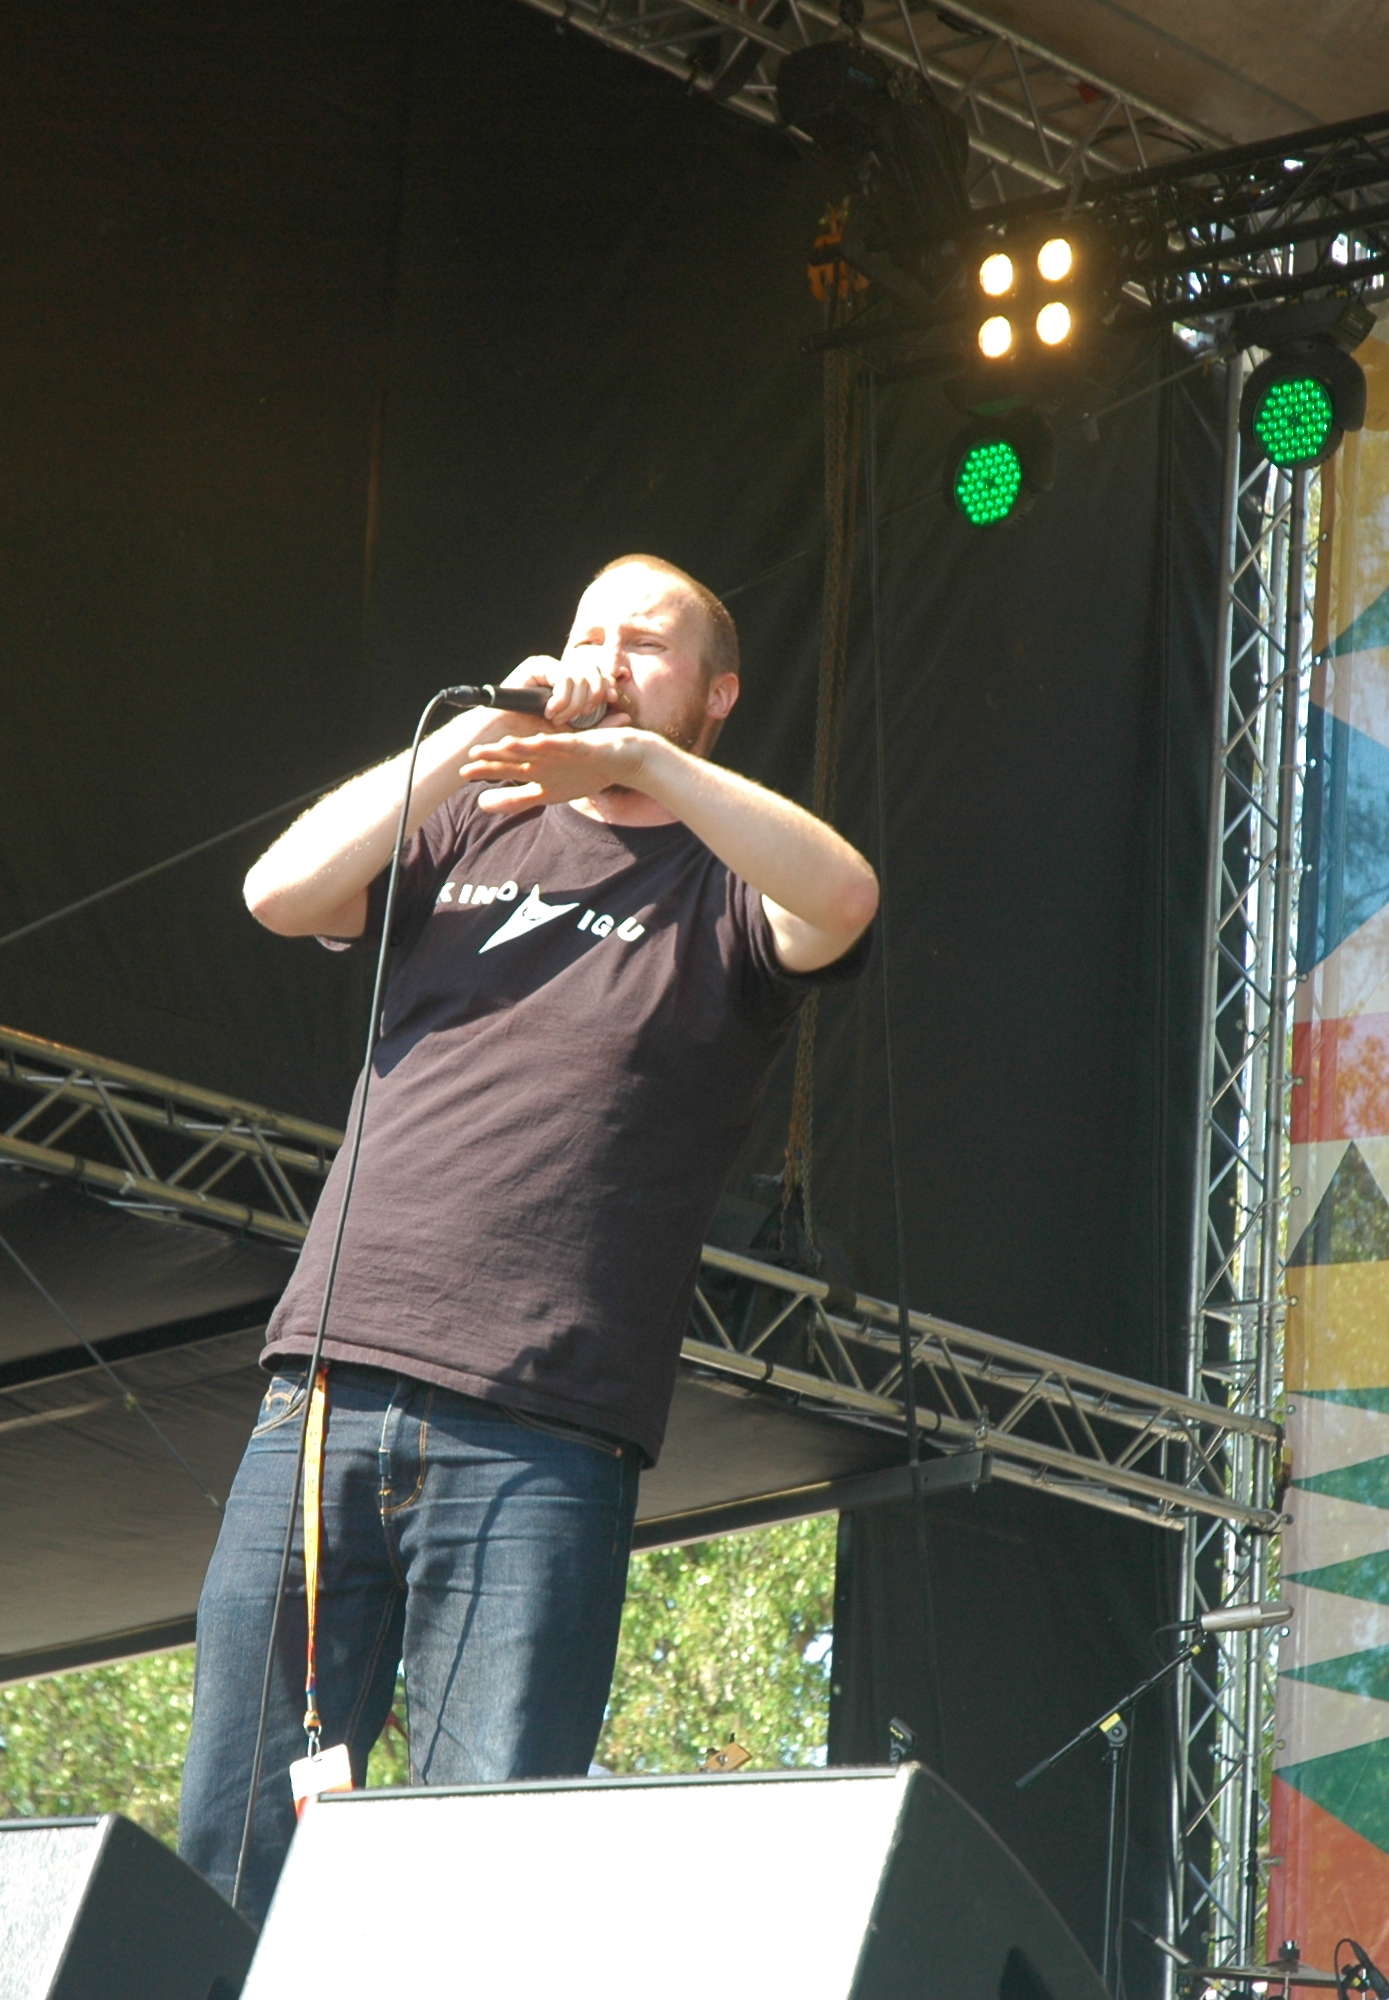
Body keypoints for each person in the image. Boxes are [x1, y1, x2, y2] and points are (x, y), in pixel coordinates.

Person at [177, 554, 879, 1921]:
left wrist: (638, 761)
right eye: (587, 631)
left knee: (476, 1869)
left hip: (542, 1426)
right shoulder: (473, 823)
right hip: (326, 1385)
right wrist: (469, 737)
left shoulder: (727, 882)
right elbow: (279, 891)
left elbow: (844, 896)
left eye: (646, 643)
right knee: (236, 1836)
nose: (607, 656)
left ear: (717, 694)